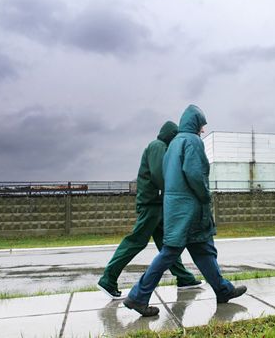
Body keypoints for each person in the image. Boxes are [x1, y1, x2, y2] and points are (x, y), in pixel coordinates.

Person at [123, 105, 247, 316]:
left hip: (175, 207)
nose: (203, 131)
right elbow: (194, 174)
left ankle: (223, 290)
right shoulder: (192, 141)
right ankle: (137, 296)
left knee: (203, 250)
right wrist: (206, 195)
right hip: (190, 208)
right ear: (196, 123)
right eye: (202, 125)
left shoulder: (172, 145)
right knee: (170, 253)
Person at [97, 121, 201, 299]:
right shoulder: (157, 146)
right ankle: (108, 279)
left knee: (169, 245)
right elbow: (160, 175)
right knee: (136, 241)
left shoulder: (162, 147)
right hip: (151, 204)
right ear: (171, 136)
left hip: (157, 204)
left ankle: (184, 278)